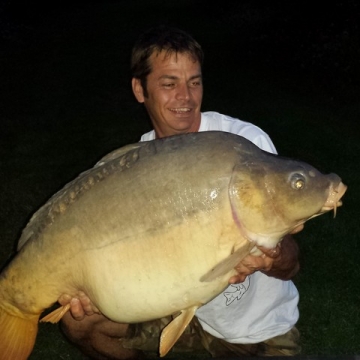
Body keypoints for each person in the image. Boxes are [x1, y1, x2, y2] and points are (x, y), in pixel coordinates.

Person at [59, 25, 301, 359]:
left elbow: (291, 266)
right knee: (80, 322)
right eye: (169, 84)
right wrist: (89, 289)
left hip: (255, 330)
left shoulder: (242, 145)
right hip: (179, 313)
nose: (185, 97)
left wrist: (270, 254)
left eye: (194, 82)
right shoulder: (127, 170)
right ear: (140, 89)